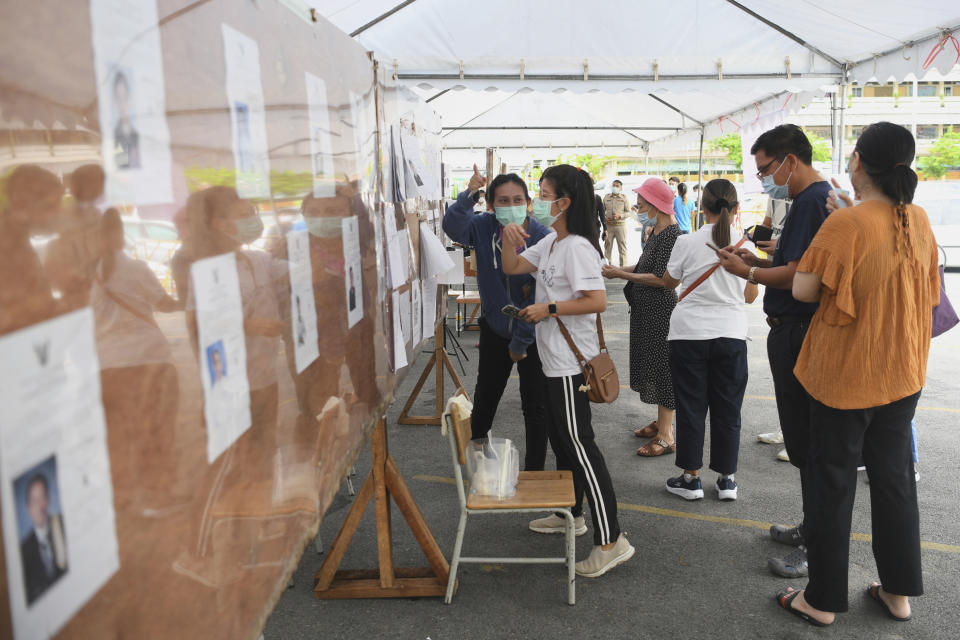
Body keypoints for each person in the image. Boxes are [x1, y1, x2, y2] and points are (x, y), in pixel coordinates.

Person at [773, 122, 938, 627]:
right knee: (893, 483)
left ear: (860, 163)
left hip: (848, 373)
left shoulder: (846, 224)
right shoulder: (919, 218)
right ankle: (898, 593)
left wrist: (842, 225)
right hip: (902, 370)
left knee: (832, 483)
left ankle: (820, 599)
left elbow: (803, 289)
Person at [500, 164, 633, 578]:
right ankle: (571, 513)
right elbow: (513, 268)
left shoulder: (577, 246)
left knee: (580, 446)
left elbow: (597, 301)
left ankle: (612, 540)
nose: (536, 202)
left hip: (572, 366)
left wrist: (549, 307)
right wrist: (508, 239)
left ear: (563, 203)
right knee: (563, 440)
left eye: (543, 193)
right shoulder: (553, 243)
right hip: (552, 359)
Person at [715, 123, 832, 578]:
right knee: (805, 442)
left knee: (810, 443)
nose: (764, 177)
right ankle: (813, 527)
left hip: (800, 331)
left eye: (765, 168)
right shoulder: (811, 200)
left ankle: (819, 542)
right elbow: (792, 264)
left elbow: (799, 273)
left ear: (790, 161)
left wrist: (749, 272)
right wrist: (756, 263)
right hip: (797, 329)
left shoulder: (808, 202)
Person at [442, 165, 557, 475]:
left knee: (536, 405)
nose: (510, 206)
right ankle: (477, 456)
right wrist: (469, 195)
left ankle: (534, 471)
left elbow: (536, 293)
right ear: (490, 206)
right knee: (486, 394)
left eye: (517, 199)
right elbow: (452, 227)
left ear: (529, 203)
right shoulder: (481, 226)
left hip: (533, 333)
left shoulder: (542, 236)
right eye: (502, 201)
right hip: (494, 328)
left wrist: (521, 341)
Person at [659, 179, 758, 501]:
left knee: (691, 407)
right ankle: (727, 479)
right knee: (729, 409)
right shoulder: (746, 244)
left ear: (702, 207)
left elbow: (668, 281)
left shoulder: (687, 241)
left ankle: (691, 479)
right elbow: (750, 296)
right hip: (731, 333)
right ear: (736, 208)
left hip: (688, 333)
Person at [90, 208, 183, 512]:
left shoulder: (79, 277)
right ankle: (157, 499)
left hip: (106, 366)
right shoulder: (136, 268)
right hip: (150, 359)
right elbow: (164, 304)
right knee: (156, 431)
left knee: (117, 436)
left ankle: (121, 500)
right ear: (118, 234)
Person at [602, 178, 680, 457]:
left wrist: (620, 274)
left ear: (656, 204)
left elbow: (662, 279)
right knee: (653, 367)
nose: (638, 206)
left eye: (642, 202)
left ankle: (667, 435)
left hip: (660, 311)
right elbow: (645, 264)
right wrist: (619, 269)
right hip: (646, 311)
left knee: (663, 371)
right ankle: (662, 422)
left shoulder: (672, 235)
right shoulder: (657, 231)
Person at [20, 473, 67, 605]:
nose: (40, 506)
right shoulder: (24, 550)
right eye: (34, 501)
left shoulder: (62, 526)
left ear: (48, 499)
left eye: (42, 498)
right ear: (28, 508)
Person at [603, 179, 631, 266]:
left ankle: (623, 268)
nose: (615, 187)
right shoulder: (606, 197)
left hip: (620, 227)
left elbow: (629, 212)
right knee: (607, 247)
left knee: (622, 248)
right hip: (609, 226)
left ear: (621, 188)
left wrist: (620, 216)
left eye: (617, 186)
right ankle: (607, 266)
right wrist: (604, 218)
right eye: (613, 185)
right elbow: (601, 211)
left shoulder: (624, 198)